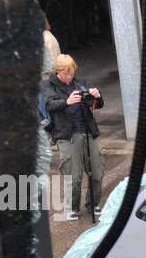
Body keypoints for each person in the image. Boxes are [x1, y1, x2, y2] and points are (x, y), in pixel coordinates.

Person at [40, 54, 105, 221]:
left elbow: (94, 104)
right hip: (66, 134)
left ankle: (93, 204)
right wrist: (67, 102)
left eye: (71, 73)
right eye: (66, 74)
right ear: (58, 71)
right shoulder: (48, 85)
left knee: (97, 170)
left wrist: (97, 97)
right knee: (73, 175)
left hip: (87, 131)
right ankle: (73, 207)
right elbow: (49, 104)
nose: (69, 77)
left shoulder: (80, 82)